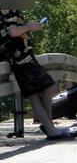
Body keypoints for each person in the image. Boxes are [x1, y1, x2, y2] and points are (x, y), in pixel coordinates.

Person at [0, 9, 72, 140]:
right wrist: (30, 26)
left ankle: (49, 126)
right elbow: (12, 32)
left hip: (27, 56)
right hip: (19, 59)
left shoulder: (15, 10)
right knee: (37, 92)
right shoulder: (6, 10)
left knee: (46, 88)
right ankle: (50, 129)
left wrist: (30, 26)